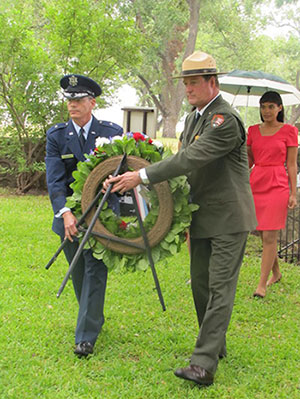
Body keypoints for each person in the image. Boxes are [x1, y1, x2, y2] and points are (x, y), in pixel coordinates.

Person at [103, 51, 257, 386]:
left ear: (211, 82)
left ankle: (203, 364)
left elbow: (191, 158)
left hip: (230, 217)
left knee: (219, 288)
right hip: (202, 216)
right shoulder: (194, 118)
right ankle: (216, 345)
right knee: (201, 287)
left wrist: (142, 178)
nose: (187, 89)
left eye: (193, 82)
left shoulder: (224, 120)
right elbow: (178, 160)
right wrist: (132, 174)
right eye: (185, 82)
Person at [45, 74, 123, 357]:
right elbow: (55, 181)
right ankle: (92, 316)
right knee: (78, 272)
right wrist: (65, 213)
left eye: (78, 100)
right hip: (68, 217)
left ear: (92, 102)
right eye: (69, 100)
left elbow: (119, 171)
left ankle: (86, 337)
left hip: (101, 213)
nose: (72, 105)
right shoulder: (56, 136)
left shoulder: (111, 132)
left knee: (94, 269)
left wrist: (111, 181)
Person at [247, 91, 298, 298]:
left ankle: (262, 285)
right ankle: (276, 272)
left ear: (279, 108)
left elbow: (292, 164)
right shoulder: (252, 130)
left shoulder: (289, 131)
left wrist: (293, 193)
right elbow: (247, 161)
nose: (266, 111)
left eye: (271, 106)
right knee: (261, 231)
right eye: (263, 106)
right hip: (256, 182)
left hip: (277, 184)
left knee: (270, 234)